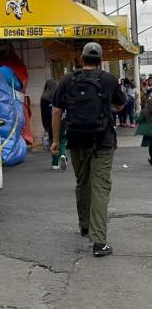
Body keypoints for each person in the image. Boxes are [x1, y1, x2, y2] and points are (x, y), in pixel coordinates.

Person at [51, 42, 126, 257]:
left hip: (76, 141)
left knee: (82, 183)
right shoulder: (108, 80)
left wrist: (56, 141)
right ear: (100, 60)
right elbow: (120, 105)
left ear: (81, 58)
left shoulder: (66, 80)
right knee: (100, 188)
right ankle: (99, 242)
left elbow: (56, 112)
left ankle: (84, 225)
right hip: (103, 141)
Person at [40, 79, 67, 170]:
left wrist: (45, 126)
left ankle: (55, 163)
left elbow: (43, 113)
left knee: (53, 141)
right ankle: (63, 154)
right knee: (62, 139)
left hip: (50, 123)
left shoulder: (44, 97)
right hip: (62, 121)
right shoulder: (60, 95)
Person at [136, 98, 152, 165]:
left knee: (151, 146)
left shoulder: (144, 111)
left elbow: (139, 120)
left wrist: (136, 115)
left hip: (149, 132)